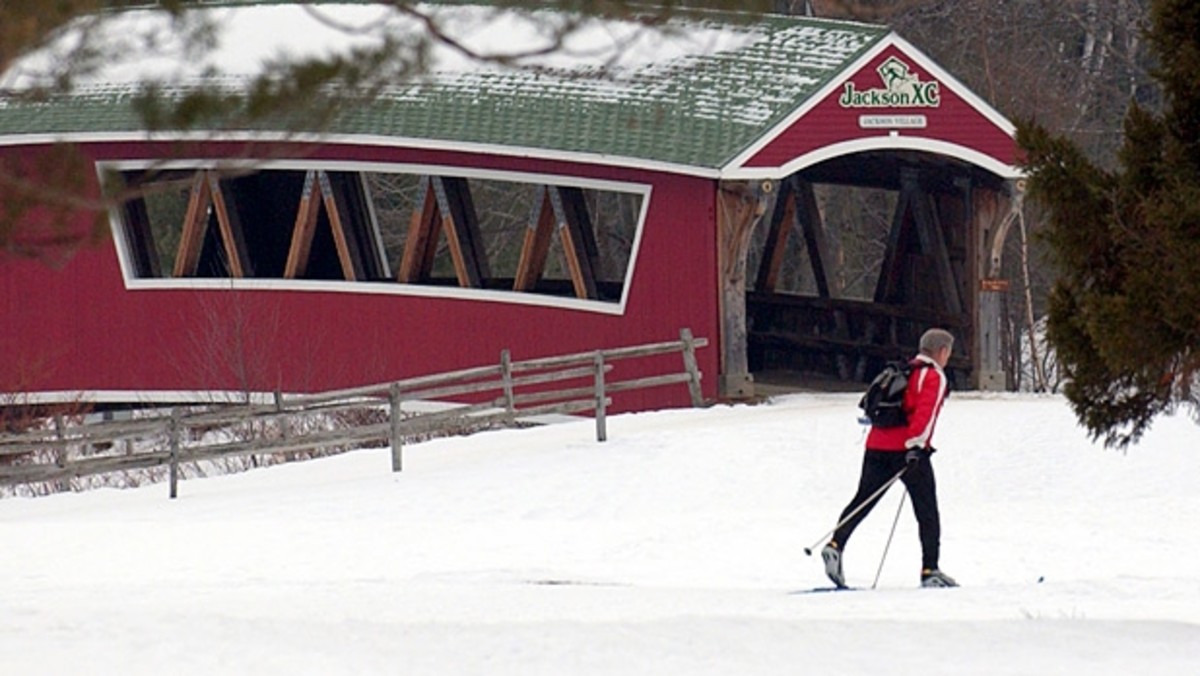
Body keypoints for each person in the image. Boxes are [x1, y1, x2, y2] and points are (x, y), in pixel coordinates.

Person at [821, 328, 958, 589]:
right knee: (927, 510)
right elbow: (924, 415)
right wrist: (917, 446)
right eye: (948, 353)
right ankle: (930, 569)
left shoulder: (903, 370)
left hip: (876, 445)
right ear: (941, 351)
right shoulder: (932, 376)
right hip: (908, 451)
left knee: (863, 500)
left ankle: (835, 545)